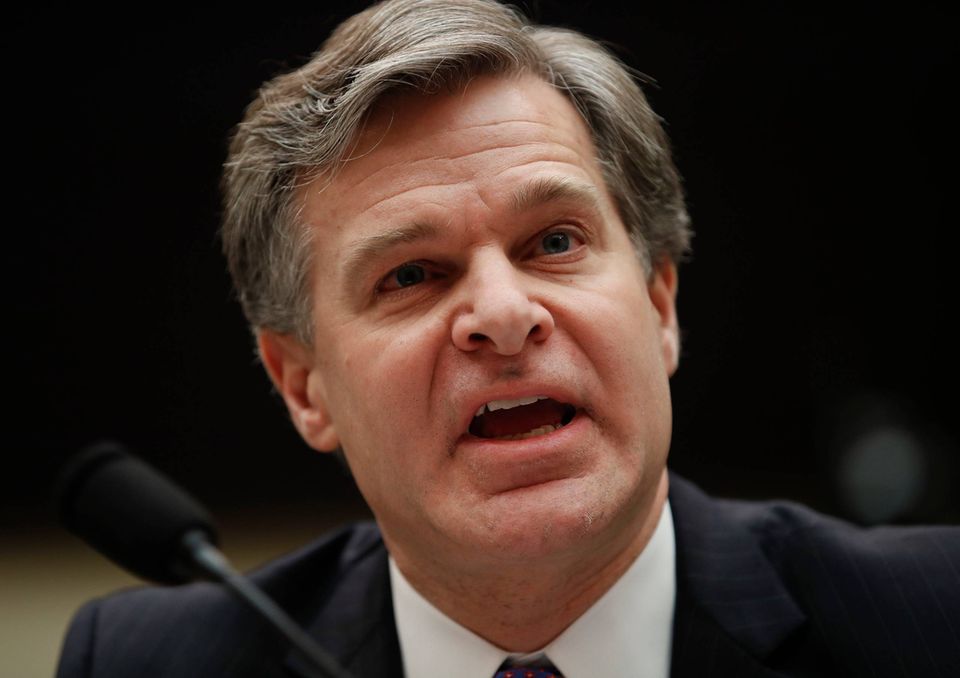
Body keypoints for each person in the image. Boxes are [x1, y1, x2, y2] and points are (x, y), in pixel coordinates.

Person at [56, 1, 959, 676]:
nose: (502, 311)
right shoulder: (143, 664)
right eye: (411, 274)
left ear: (659, 306)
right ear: (303, 386)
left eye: (554, 243)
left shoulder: (933, 618)